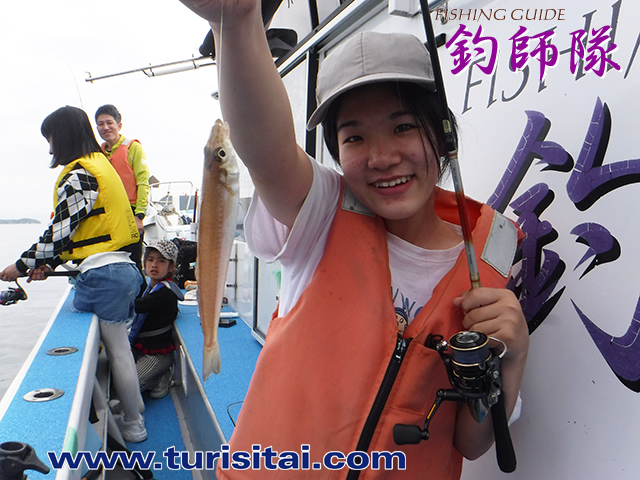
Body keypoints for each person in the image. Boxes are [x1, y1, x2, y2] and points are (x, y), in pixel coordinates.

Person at [178, 1, 530, 478]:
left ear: (444, 134)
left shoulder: (487, 267)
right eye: (354, 138)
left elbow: (471, 442)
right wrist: (238, 22)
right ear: (337, 152)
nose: (381, 157)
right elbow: (265, 145)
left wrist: (514, 355)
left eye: (403, 127)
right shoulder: (321, 213)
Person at [0, 106, 147, 444]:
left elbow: (60, 232)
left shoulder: (79, 175)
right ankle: (134, 411)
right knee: (120, 350)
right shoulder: (100, 165)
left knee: (116, 352)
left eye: (51, 139)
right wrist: (49, 264)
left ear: (63, 137)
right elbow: (82, 231)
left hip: (102, 276)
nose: (50, 147)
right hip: (124, 269)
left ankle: (134, 423)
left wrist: (20, 266)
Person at [95, 104, 150, 273]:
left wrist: (139, 216)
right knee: (109, 260)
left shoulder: (133, 148)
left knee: (132, 261)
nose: (105, 127)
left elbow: (143, 182)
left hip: (129, 213)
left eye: (109, 123)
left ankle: (138, 289)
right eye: (100, 124)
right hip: (107, 215)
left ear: (119, 125)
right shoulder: (98, 153)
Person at [129, 239, 184, 399]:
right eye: (150, 260)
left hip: (157, 356)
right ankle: (155, 376)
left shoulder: (165, 293)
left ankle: (161, 377)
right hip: (139, 348)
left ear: (170, 267)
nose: (154, 265)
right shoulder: (150, 287)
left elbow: (136, 306)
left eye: (161, 261)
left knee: (131, 386)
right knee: (113, 372)